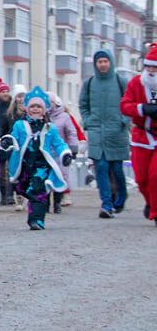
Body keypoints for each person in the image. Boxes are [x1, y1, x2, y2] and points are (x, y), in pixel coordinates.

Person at [3, 87, 73, 230]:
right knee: (25, 189)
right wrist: (8, 141)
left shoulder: (49, 128)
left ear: (44, 110)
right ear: (27, 109)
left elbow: (58, 144)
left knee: (38, 191)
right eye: (32, 106)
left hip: (42, 165)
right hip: (24, 164)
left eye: (39, 107)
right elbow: (13, 137)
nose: (35, 109)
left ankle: (36, 220)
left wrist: (65, 154)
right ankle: (35, 212)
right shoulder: (20, 125)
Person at [79, 50, 129, 219]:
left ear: (110, 62)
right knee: (100, 168)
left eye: (105, 61)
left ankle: (121, 198)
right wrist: (88, 121)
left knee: (117, 170)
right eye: (99, 61)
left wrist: (123, 120)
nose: (102, 64)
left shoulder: (120, 81)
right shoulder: (89, 83)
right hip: (96, 132)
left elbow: (129, 102)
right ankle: (106, 204)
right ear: (95, 64)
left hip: (116, 132)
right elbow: (83, 105)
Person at [118, 44, 157, 227]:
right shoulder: (136, 83)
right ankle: (150, 203)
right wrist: (142, 108)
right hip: (141, 137)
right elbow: (124, 106)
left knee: (155, 176)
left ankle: (156, 212)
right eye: (148, 66)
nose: (150, 71)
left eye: (154, 67)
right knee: (141, 179)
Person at [47, 93, 78, 214]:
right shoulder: (41, 116)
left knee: (59, 177)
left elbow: (71, 132)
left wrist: (73, 148)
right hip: (45, 152)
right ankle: (45, 203)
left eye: (50, 102)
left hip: (59, 152)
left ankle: (57, 203)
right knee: (45, 177)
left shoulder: (64, 116)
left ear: (55, 103)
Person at [5, 84, 29, 211]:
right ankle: (18, 197)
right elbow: (5, 128)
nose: (21, 99)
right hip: (15, 147)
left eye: (23, 96)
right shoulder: (10, 113)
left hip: (28, 146)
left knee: (26, 172)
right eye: (19, 96)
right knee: (15, 172)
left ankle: (25, 196)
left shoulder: (30, 111)